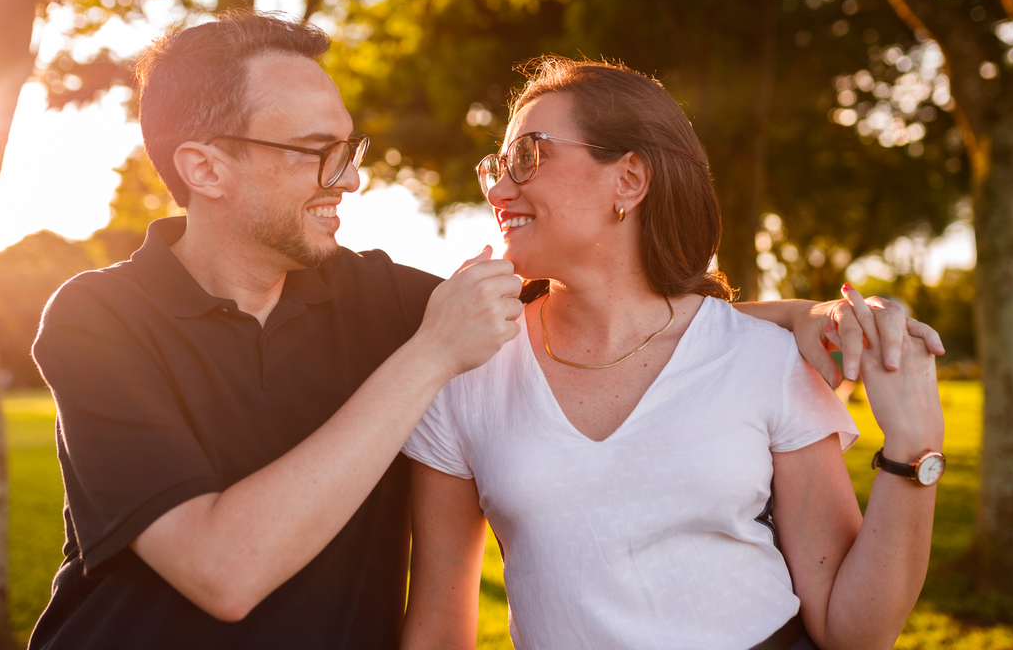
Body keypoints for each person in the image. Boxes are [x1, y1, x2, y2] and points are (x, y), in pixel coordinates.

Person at [28, 12, 936, 650]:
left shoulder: (384, 300)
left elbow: (630, 318)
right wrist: (428, 356)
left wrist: (801, 322)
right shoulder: (98, 321)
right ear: (204, 168)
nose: (347, 180)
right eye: (317, 152)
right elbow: (224, 571)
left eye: (350, 148)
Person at [401, 58, 946, 650]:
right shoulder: (462, 371)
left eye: (530, 155)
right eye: (498, 167)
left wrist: (915, 447)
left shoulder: (764, 358)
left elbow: (852, 634)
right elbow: (437, 625)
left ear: (629, 179)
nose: (500, 190)